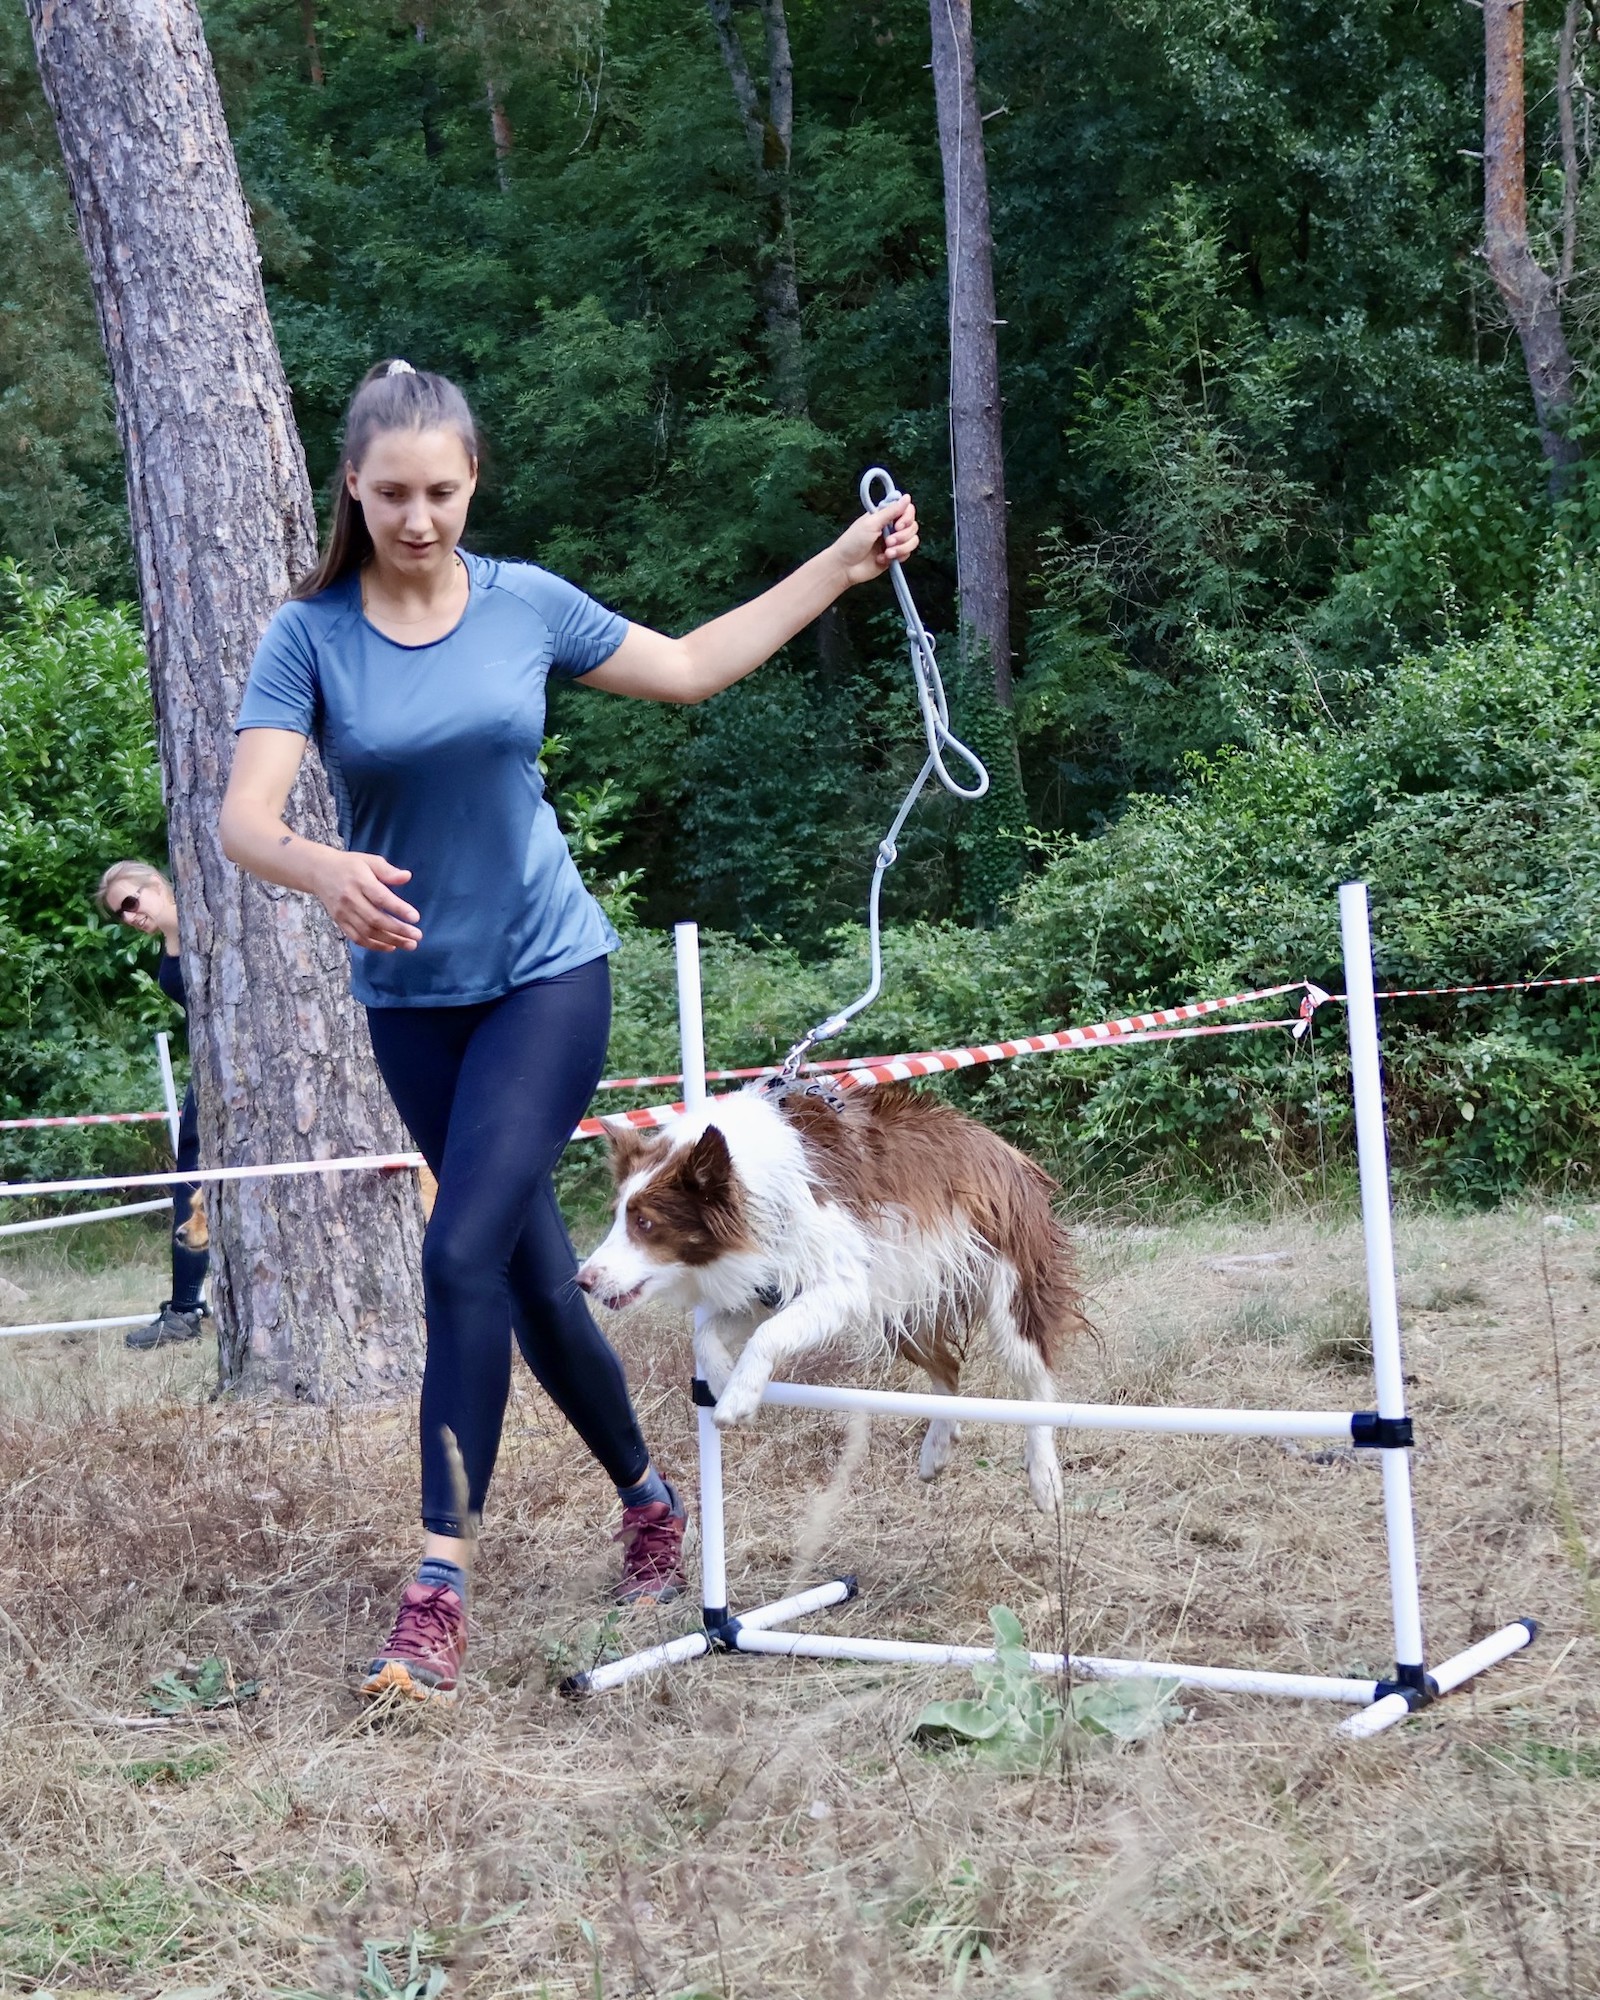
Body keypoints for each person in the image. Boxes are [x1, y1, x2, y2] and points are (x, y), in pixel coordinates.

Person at [219, 359, 919, 1703]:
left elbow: (692, 666)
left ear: (472, 481)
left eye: (440, 491)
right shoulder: (309, 635)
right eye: (390, 494)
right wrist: (321, 869)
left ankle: (437, 1587)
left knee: (457, 1250)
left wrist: (839, 565)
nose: (417, 518)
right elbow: (245, 819)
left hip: (547, 978)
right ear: (351, 487)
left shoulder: (524, 603)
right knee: (534, 1276)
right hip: (413, 1007)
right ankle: (649, 1499)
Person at [95, 861, 210, 1349]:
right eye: (119, 913)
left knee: (195, 1176)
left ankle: (185, 1309)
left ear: (157, 884)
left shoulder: (208, 922)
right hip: (210, 1068)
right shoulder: (173, 940)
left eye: (130, 902)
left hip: (234, 1069)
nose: (128, 916)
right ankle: (185, 1308)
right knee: (190, 1175)